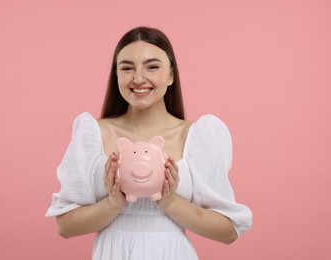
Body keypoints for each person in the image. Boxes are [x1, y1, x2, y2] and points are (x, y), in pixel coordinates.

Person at [46, 26, 252, 259]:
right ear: (116, 75)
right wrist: (114, 202)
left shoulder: (198, 136)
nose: (138, 79)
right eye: (127, 68)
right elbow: (65, 226)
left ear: (171, 75)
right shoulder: (91, 133)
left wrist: (169, 201)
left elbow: (227, 231)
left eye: (152, 67)